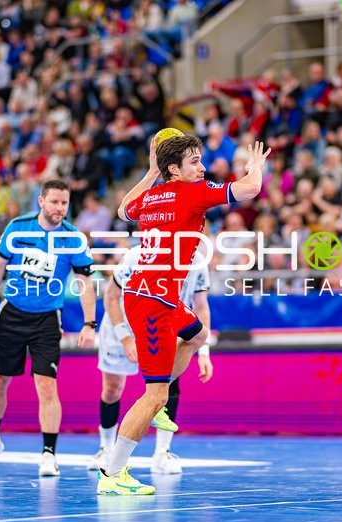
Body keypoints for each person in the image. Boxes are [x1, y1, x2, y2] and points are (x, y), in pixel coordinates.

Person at [95, 134, 270, 495]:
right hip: (150, 302)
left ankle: (158, 399)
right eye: (194, 161)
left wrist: (150, 173)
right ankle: (111, 473)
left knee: (198, 334)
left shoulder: (151, 195)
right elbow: (251, 188)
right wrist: (256, 167)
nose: (202, 167)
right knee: (153, 394)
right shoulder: (193, 192)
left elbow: (122, 210)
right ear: (174, 169)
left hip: (162, 297)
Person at [0, 179, 97, 477]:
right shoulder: (18, 227)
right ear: (41, 201)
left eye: (64, 203)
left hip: (46, 319)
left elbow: (84, 282)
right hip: (12, 313)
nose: (60, 208)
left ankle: (48, 454)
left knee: (46, 384)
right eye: (54, 202)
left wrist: (89, 323)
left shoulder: (73, 238)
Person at [89, 245, 213, 475]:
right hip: (124, 327)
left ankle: (161, 453)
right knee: (112, 389)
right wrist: (125, 338)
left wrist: (204, 351)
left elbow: (201, 306)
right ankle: (105, 449)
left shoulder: (197, 262)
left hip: (166, 325)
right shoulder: (138, 256)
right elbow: (111, 297)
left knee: (165, 387)